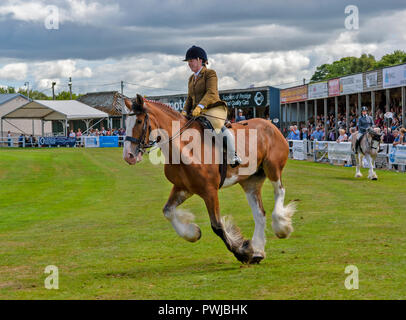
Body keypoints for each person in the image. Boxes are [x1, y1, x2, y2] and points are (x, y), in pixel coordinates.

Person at [181, 45, 241, 167]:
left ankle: (233, 155)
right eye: (188, 62)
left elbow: (211, 92)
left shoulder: (210, 73)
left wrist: (200, 106)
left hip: (213, 108)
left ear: (199, 60)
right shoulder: (191, 78)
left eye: (191, 61)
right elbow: (189, 98)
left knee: (217, 126)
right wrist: (183, 112)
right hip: (197, 112)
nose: (189, 64)